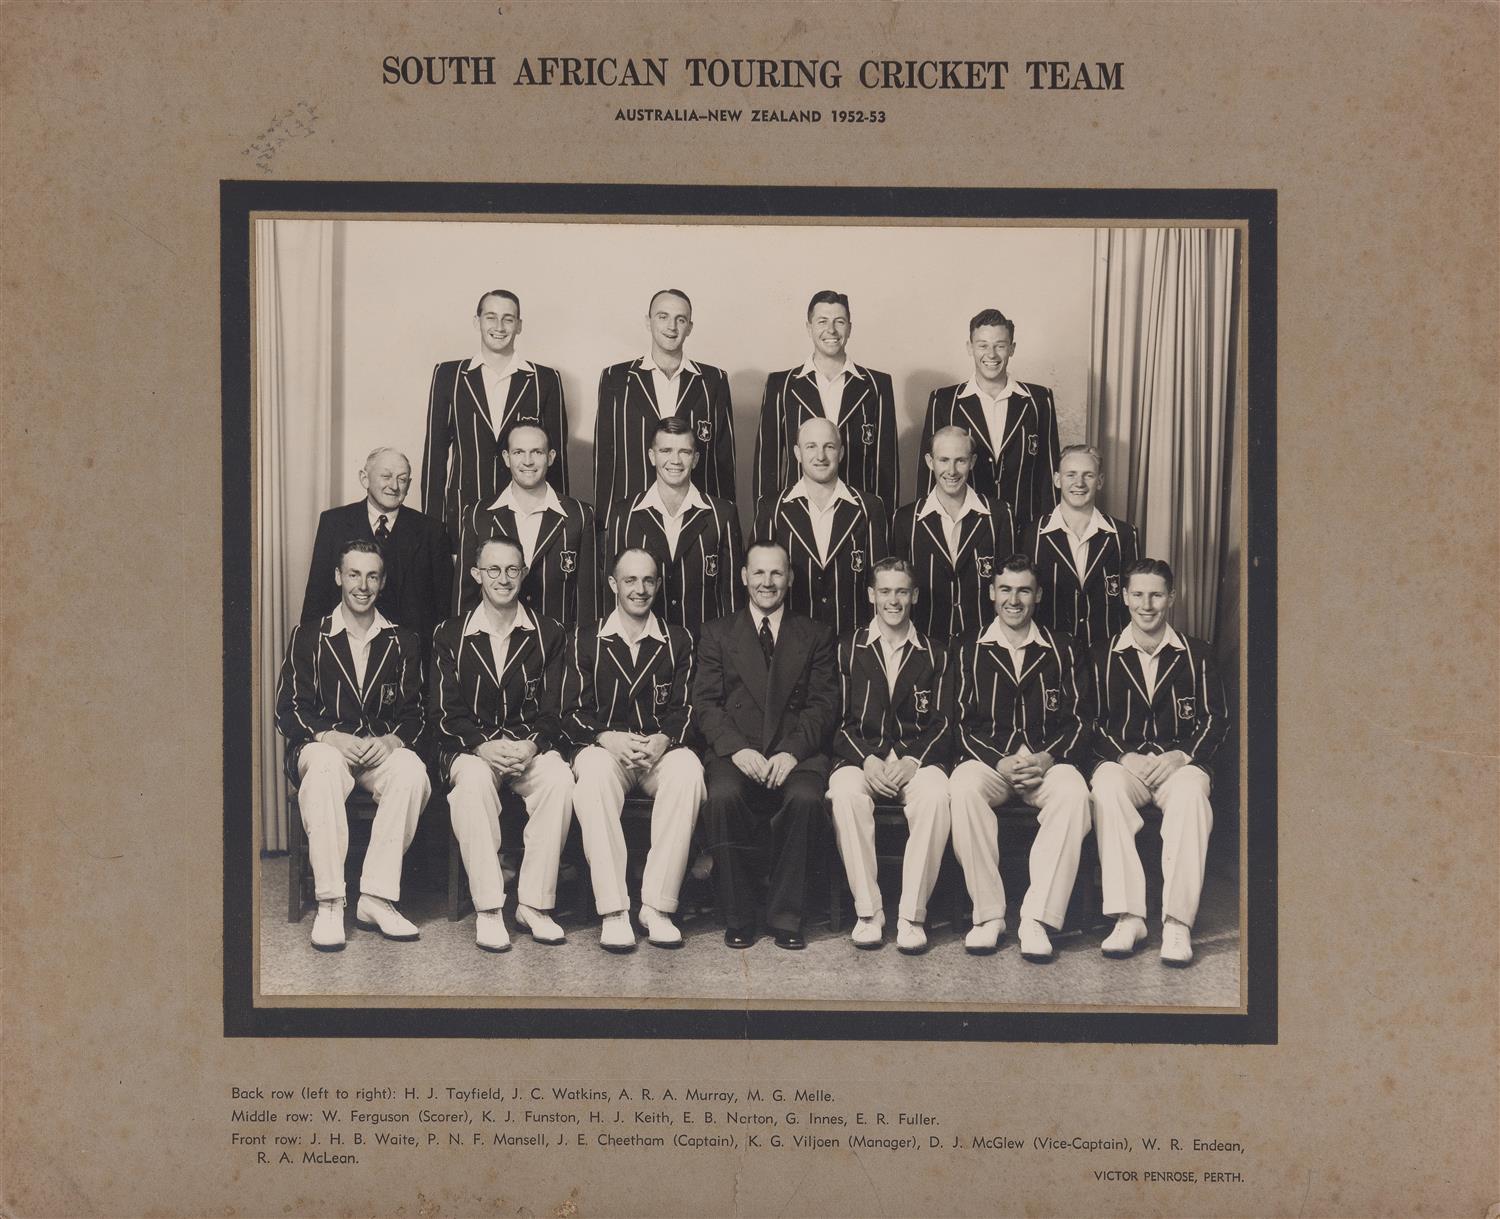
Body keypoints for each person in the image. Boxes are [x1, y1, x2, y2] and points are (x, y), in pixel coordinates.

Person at [276, 539, 429, 951]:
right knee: (325, 765)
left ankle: (376, 897)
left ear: (382, 581)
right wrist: (330, 736)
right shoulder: (309, 637)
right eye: (354, 575)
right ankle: (330, 902)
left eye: (372, 576)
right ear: (338, 577)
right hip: (322, 748)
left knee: (411, 770)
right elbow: (287, 710)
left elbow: (416, 714)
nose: (363, 586)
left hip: (376, 752)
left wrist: (391, 740)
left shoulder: (402, 641)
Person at [429, 536, 575, 952]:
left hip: (528, 747)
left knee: (560, 780)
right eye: (493, 569)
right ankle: (490, 909)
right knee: (473, 784)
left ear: (524, 573)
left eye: (512, 569)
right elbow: (443, 713)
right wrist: (482, 746)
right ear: (476, 574)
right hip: (471, 750)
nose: (503, 578)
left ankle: (534, 905)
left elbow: (556, 708)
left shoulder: (549, 632)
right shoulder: (450, 634)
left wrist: (531, 745)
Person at [691, 540, 839, 949]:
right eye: (759, 572)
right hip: (737, 752)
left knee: (806, 799)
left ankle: (786, 916)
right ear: (744, 577)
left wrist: (791, 751)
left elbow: (823, 704)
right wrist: (738, 749)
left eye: (776, 572)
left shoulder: (815, 634)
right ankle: (739, 915)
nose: (767, 582)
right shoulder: (718, 633)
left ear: (789, 578)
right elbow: (706, 704)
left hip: (796, 752)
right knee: (722, 796)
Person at [948, 556, 1093, 961]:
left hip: (1046, 762)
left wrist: (1047, 759)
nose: (1014, 600)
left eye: (1024, 590)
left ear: (1038, 595)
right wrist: (998, 761)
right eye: (1006, 590)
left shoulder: (1064, 648)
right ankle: (989, 916)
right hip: (991, 764)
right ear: (992, 593)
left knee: (1075, 793)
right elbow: (957, 722)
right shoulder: (968, 647)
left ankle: (1037, 918)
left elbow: (1082, 721)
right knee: (962, 788)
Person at [562, 548, 705, 951]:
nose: (639, 590)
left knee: (689, 771)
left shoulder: (679, 640)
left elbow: (688, 708)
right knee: (593, 778)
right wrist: (607, 737)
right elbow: (569, 713)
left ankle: (657, 907)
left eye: (648, 580)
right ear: (613, 584)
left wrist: (665, 739)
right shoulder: (584, 638)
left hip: (659, 748)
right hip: (606, 748)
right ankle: (614, 911)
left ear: (658, 585)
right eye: (630, 580)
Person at [1089, 558, 1228, 966]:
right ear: (1124, 597)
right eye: (1137, 595)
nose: (1146, 605)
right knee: (1106, 787)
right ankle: (1128, 917)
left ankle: (1177, 923)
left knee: (1191, 796)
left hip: (1179, 765)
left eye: (1155, 595)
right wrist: (1124, 756)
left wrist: (1181, 755)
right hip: (1125, 764)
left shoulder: (1197, 653)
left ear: (1171, 597)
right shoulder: (1101, 655)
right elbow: (1090, 723)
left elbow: (1216, 719)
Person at [828, 558, 955, 954]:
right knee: (844, 793)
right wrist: (867, 759)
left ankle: (912, 916)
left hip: (915, 762)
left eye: (901, 591)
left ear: (914, 595)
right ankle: (869, 913)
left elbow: (944, 723)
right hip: (862, 759)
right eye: (885, 591)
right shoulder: (847, 649)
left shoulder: (936, 653)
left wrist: (912, 761)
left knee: (936, 796)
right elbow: (835, 721)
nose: (893, 600)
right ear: (871, 595)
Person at [421, 289, 569, 551]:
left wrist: (560, 523)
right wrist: (432, 529)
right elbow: (435, 457)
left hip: (526, 513)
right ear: (477, 321)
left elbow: (555, 461)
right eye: (491, 317)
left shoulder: (544, 379)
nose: (499, 327)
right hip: (464, 512)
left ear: (519, 325)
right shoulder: (449, 375)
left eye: (508, 319)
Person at [594, 289, 736, 530]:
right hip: (632, 517)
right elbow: (605, 461)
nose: (672, 326)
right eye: (663, 316)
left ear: (690, 327)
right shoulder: (615, 378)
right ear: (648, 322)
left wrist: (724, 526)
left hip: (696, 521)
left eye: (681, 319)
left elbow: (723, 462)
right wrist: (606, 527)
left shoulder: (713, 381)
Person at [917, 308, 1060, 533]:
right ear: (970, 347)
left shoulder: (1038, 400)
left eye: (1000, 346)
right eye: (983, 345)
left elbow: (1048, 471)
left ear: (1012, 348)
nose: (991, 354)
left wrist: (1046, 531)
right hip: (966, 528)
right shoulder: (944, 401)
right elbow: (931, 474)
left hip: (1025, 526)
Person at [752, 289, 898, 510]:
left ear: (850, 328)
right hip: (797, 514)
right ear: (809, 328)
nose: (831, 330)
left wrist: (881, 523)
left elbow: (886, 465)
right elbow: (767, 464)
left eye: (839, 321)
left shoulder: (877, 385)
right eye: (822, 321)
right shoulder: (781, 385)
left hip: (857, 515)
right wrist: (766, 522)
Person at [299, 447, 453, 652]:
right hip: (346, 652)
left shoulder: (432, 531)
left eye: (402, 479)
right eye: (386, 476)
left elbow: (444, 609)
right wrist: (310, 653)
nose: (394, 486)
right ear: (365, 478)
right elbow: (317, 597)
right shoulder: (334, 523)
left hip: (412, 656)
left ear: (409, 485)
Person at [605, 417, 745, 636]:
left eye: (684, 452)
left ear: (695, 459)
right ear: (652, 456)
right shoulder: (624, 513)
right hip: (643, 646)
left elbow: (732, 596)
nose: (675, 460)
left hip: (704, 647)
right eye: (666, 450)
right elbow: (612, 592)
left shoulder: (722, 514)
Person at [754, 416, 888, 637]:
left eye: (829, 447)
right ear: (797, 453)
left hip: (852, 640)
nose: (820, 456)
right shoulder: (772, 508)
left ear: (841, 453)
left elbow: (881, 581)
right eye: (811, 446)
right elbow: (759, 582)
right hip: (791, 640)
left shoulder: (869, 507)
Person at [457, 422, 598, 621]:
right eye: (518, 452)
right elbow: (464, 595)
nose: (528, 461)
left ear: (551, 457)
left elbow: (588, 599)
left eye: (537, 452)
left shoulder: (579, 515)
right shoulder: (478, 515)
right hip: (496, 639)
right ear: (506, 458)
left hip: (560, 639)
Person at [890, 426, 1017, 641]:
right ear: (930, 462)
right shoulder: (905, 519)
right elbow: (898, 587)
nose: (952, 470)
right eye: (944, 460)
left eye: (960, 461)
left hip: (982, 642)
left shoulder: (999, 514)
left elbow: (1010, 584)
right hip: (925, 642)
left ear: (972, 462)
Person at [1023, 444, 1140, 648]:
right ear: (1057, 479)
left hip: (1106, 652)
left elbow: (1135, 601)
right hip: (1049, 652)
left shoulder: (1124, 535)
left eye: (1088, 475)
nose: (1079, 483)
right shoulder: (1032, 534)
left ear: (1100, 481)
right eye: (1071, 475)